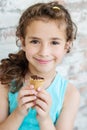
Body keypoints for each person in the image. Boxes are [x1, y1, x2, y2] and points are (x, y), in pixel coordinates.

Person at [0, 1, 80, 130]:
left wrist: (45, 119)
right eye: (35, 41)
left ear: (67, 46)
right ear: (23, 43)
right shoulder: (5, 81)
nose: (44, 52)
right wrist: (19, 113)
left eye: (54, 42)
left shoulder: (69, 94)